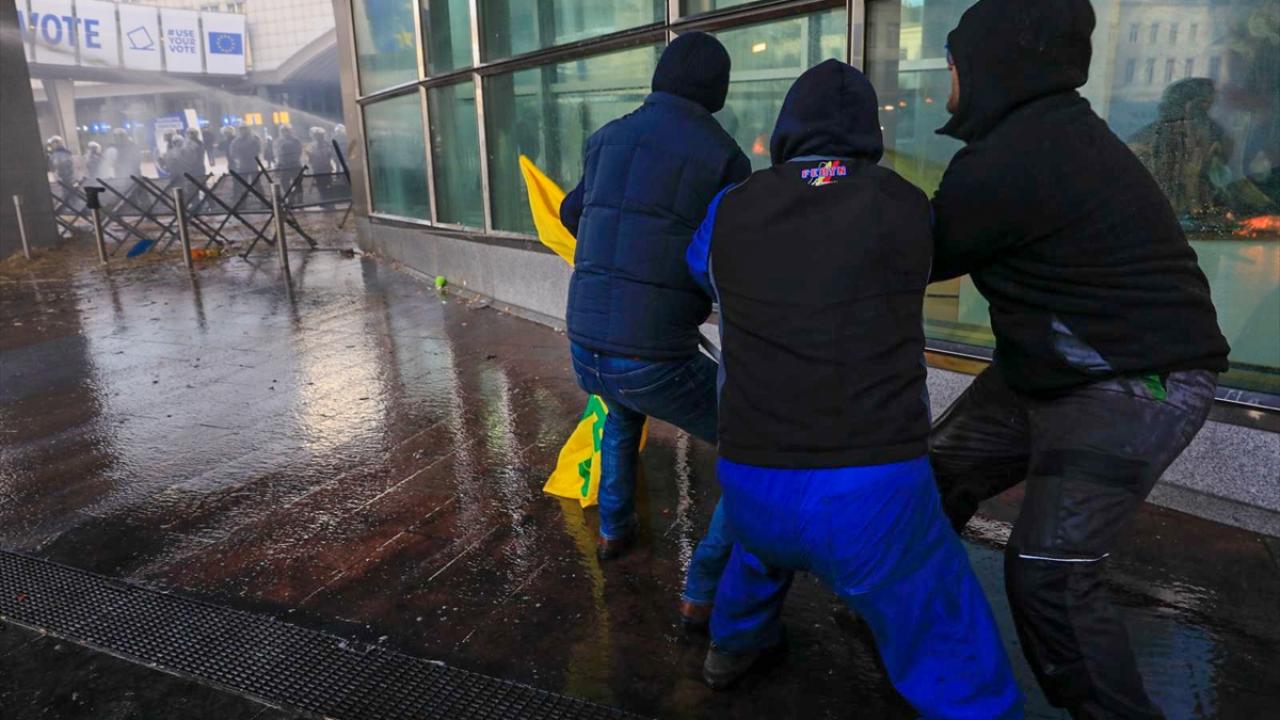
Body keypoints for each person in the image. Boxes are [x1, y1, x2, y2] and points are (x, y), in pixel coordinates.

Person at [684, 60, 1023, 719]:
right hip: (872, 491)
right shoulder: (903, 202)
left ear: (787, 129)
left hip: (753, 474)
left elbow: (699, 266)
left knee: (757, 556)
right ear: (870, 133)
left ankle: (732, 649)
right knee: (937, 615)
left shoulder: (732, 206)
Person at [927, 2, 1230, 718]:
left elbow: (912, 253)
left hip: (1136, 379)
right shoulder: (1049, 135)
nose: (947, 83)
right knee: (928, 481)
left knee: (1049, 572)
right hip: (1053, 367)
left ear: (989, 66)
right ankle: (918, 628)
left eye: (952, 65)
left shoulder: (1015, 158)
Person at [559, 33, 751, 623]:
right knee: (752, 440)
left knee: (621, 414)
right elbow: (728, 253)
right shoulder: (723, 157)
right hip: (651, 356)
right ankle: (704, 587)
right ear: (717, 90)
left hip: (584, 344)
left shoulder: (606, 137)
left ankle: (614, 532)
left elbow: (571, 212)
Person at [306, 127, 334, 205]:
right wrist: (310, 156)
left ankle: (329, 201)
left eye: (320, 135)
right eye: (317, 135)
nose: (319, 137)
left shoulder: (327, 144)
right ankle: (323, 201)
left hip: (326, 168)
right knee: (320, 186)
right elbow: (310, 158)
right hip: (318, 169)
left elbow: (330, 154)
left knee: (328, 185)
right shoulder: (312, 145)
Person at [275, 124, 304, 197]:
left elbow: (299, 152)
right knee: (284, 181)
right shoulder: (279, 141)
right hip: (284, 165)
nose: (285, 133)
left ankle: (299, 198)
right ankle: (289, 196)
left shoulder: (295, 140)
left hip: (294, 164)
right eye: (283, 131)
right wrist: (278, 164)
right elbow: (278, 153)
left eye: (286, 131)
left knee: (297, 182)